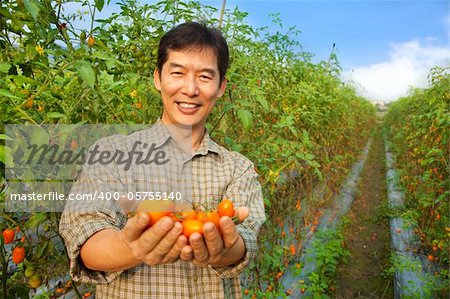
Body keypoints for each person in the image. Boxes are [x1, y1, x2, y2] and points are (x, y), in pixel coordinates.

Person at [59, 22, 266, 298]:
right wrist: (130, 246)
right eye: (177, 72)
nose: (190, 89)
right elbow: (84, 233)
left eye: (205, 77)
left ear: (221, 87)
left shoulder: (237, 169)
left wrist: (225, 247)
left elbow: (246, 240)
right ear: (158, 78)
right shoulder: (111, 154)